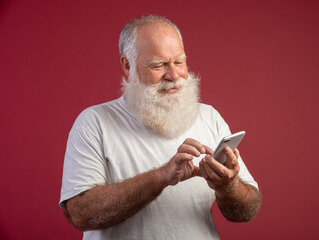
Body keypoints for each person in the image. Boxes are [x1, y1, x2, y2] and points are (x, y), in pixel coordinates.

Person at [59, 15, 262, 240]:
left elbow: (247, 209)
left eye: (179, 62)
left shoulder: (209, 116)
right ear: (127, 65)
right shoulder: (94, 122)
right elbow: (80, 214)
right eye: (158, 65)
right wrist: (162, 177)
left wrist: (228, 186)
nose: (174, 75)